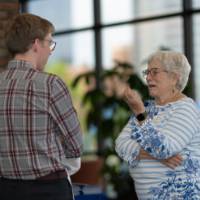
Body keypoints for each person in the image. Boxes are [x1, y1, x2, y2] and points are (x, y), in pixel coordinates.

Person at [0, 13, 83, 200]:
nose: (50, 50)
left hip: (5, 190)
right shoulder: (50, 84)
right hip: (49, 189)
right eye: (50, 42)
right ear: (36, 43)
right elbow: (76, 145)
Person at [115, 51, 200, 199]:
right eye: (147, 72)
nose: (148, 77)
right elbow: (120, 145)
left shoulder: (185, 108)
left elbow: (163, 149)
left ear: (174, 78)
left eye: (155, 72)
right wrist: (153, 156)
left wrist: (140, 113)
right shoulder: (148, 108)